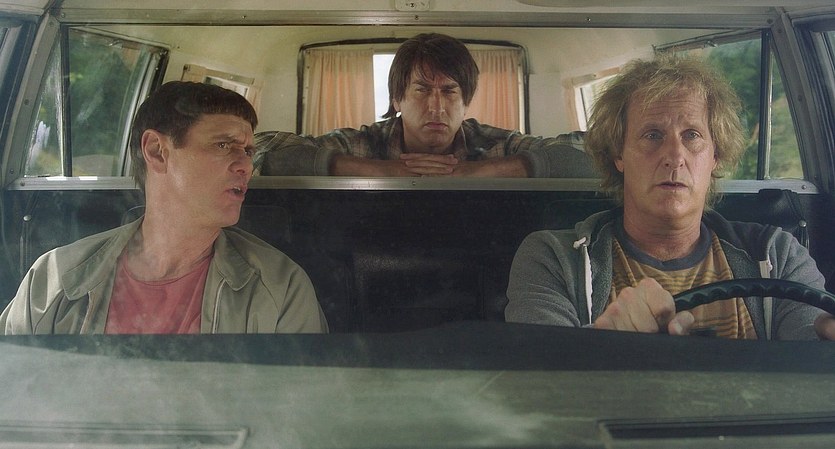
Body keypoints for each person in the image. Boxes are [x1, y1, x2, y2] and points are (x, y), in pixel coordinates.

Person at [505, 55, 835, 340]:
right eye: (652, 135)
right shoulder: (553, 258)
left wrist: (824, 341)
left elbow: (811, 338)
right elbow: (538, 368)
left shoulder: (778, 255)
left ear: (715, 156)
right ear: (618, 154)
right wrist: (601, 344)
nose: (675, 156)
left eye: (692, 135)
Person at [0, 81, 328, 334]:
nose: (246, 166)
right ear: (157, 151)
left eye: (248, 151)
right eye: (224, 145)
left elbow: (303, 400)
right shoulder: (54, 280)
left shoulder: (281, 289)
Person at [256, 33, 596, 178]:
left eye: (449, 92)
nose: (436, 107)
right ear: (396, 98)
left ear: (466, 101)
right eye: (421, 91)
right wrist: (381, 172)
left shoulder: (493, 144)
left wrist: (479, 171)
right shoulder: (365, 143)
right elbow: (258, 149)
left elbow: (596, 153)